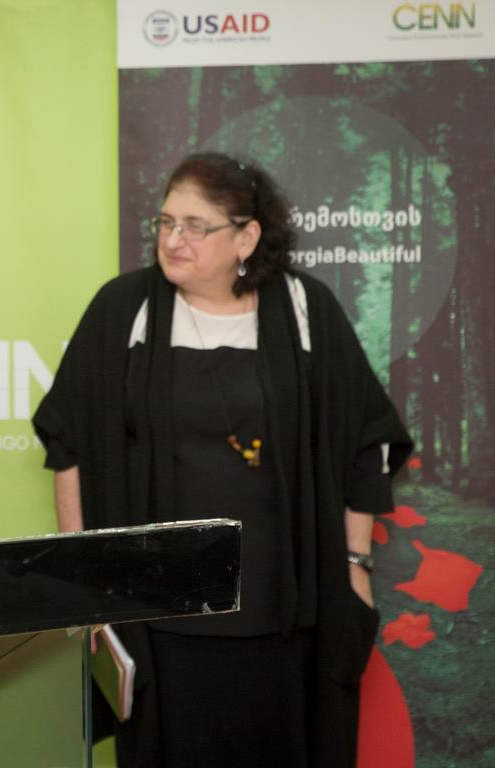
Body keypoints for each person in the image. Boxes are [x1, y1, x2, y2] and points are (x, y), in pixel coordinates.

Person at [33, 151, 411, 767]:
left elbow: (367, 439)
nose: (172, 239)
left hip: (286, 615)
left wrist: (356, 565)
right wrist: (86, 579)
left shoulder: (305, 309)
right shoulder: (124, 310)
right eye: (165, 222)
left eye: (194, 226)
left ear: (247, 237)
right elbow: (68, 440)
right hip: (160, 621)